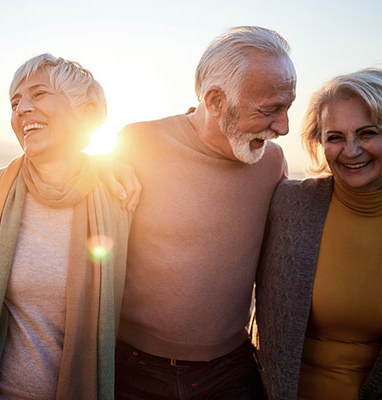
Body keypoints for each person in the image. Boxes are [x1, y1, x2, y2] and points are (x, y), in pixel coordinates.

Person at [113, 26, 296, 399]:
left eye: (287, 108)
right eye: (269, 110)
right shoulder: (137, 143)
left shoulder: (272, 162)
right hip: (132, 371)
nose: (283, 127)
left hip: (229, 373)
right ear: (215, 101)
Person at [0, 54, 132, 400]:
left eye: (39, 95)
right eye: (15, 102)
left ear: (86, 112)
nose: (22, 109)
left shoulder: (120, 200)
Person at [256, 68, 382, 399]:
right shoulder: (286, 203)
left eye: (367, 133)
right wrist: (119, 169)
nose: (351, 150)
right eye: (335, 137)